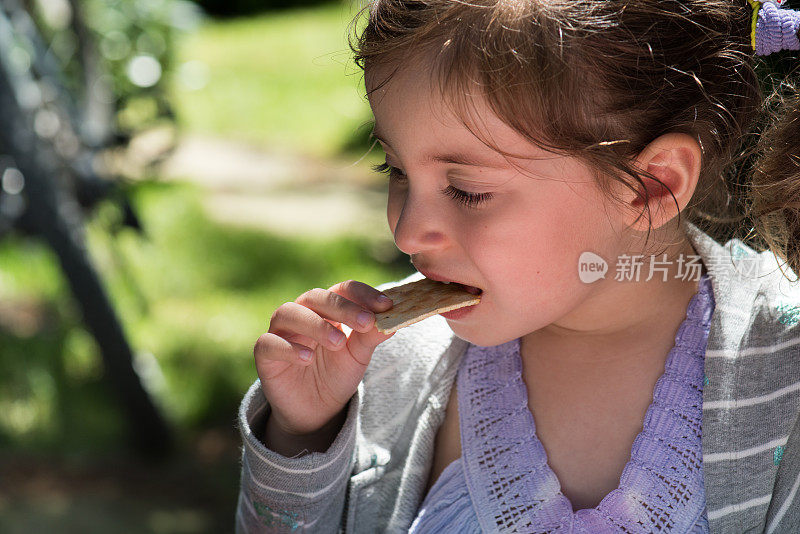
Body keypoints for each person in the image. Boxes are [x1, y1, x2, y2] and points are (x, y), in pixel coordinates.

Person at [235, 1, 800, 532]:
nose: (406, 231)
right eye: (395, 170)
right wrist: (302, 436)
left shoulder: (784, 380)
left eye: (467, 190)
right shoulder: (386, 365)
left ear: (651, 187)